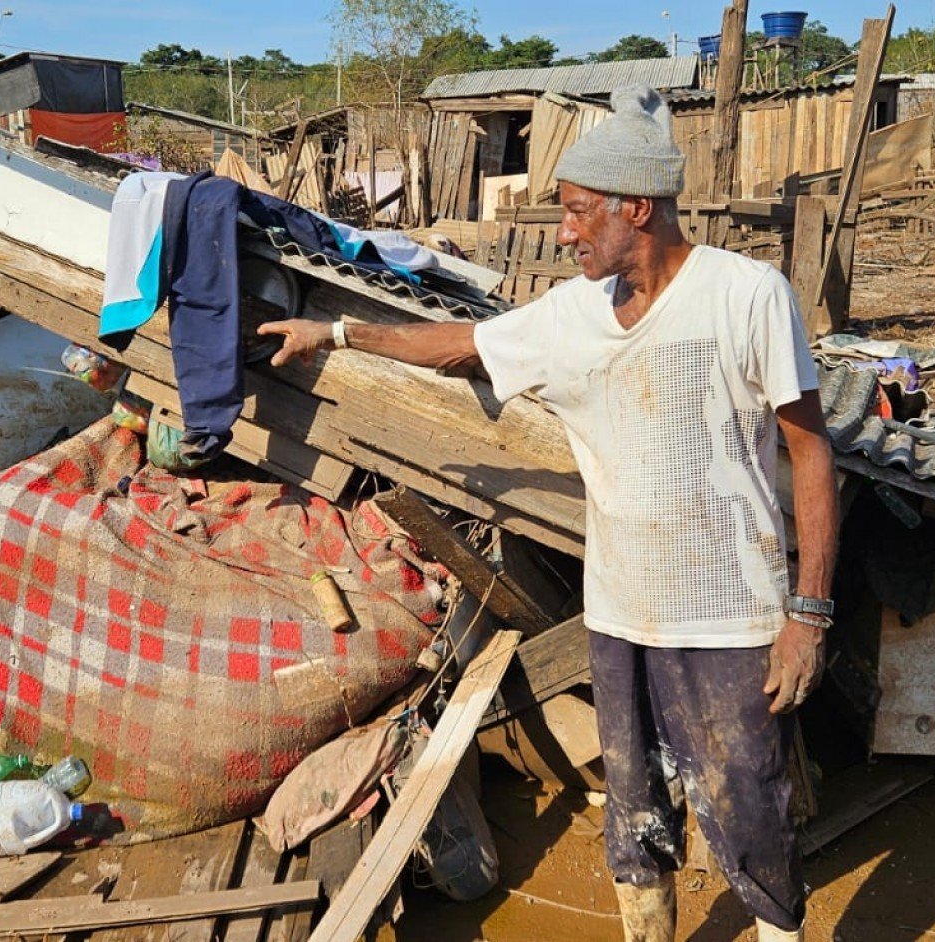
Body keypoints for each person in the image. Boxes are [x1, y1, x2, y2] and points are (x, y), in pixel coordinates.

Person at [258, 84, 838, 942]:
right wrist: (340, 334)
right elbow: (458, 346)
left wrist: (810, 614)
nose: (563, 231)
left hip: (727, 615)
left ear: (636, 207)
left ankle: (779, 932)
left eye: (575, 212)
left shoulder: (745, 296)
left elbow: (810, 450)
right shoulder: (572, 314)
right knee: (635, 807)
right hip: (618, 614)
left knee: (749, 799)